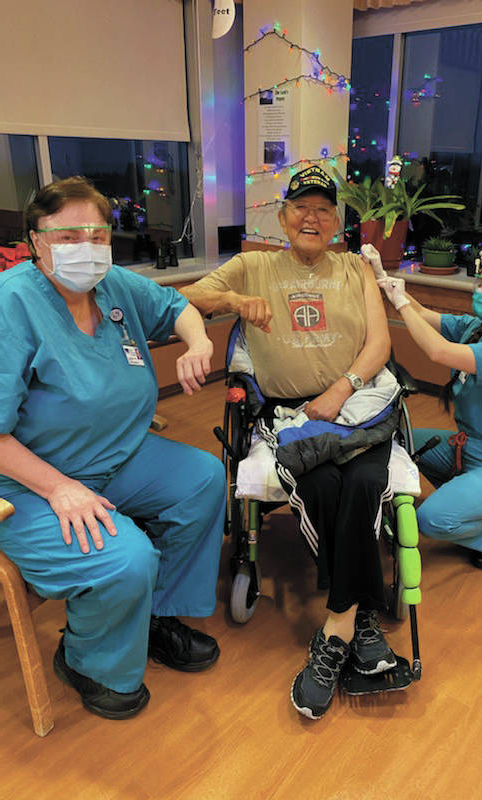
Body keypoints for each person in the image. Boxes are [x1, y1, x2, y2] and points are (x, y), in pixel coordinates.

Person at [0, 177, 226, 720]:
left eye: (97, 234)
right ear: (36, 241)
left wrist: (197, 341)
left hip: (116, 454)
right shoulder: (12, 306)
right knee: (126, 558)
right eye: (69, 234)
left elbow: (177, 305)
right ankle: (86, 659)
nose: (87, 246)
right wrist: (59, 488)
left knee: (204, 479)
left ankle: (154, 617)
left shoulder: (115, 286)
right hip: (26, 480)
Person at [181, 165, 398, 720]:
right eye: (301, 207)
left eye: (324, 209)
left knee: (368, 481)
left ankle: (337, 627)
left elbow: (379, 343)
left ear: (336, 223)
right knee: (323, 484)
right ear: (282, 218)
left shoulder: (354, 268)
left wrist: (341, 388)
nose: (312, 217)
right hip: (290, 414)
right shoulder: (255, 265)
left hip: (353, 406)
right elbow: (193, 296)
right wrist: (233, 300)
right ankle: (362, 620)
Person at [371, 251, 482, 569]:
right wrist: (386, 279)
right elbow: (423, 314)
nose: (479, 291)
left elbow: (438, 351)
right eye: (480, 282)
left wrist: (401, 303)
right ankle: (468, 497)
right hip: (467, 445)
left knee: (431, 520)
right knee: (398, 441)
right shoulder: (474, 327)